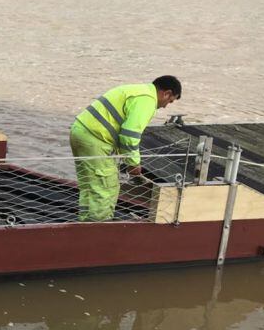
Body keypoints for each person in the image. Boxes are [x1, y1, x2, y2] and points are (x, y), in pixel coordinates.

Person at [70, 75, 182, 222]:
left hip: (81, 132)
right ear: (166, 93)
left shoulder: (137, 90)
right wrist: (133, 163)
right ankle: (97, 229)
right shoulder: (147, 100)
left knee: (90, 186)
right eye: (170, 100)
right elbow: (129, 136)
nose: (166, 105)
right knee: (106, 188)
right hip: (95, 139)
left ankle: (85, 222)